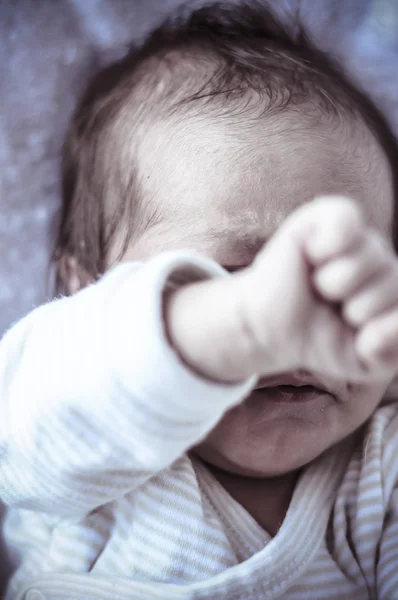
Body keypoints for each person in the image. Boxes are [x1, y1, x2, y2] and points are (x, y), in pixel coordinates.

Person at [2, 2, 398, 599]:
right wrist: (236, 328)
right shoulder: (87, 446)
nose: (300, 317)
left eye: (338, 282)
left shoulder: (378, 464)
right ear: (85, 289)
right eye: (230, 273)